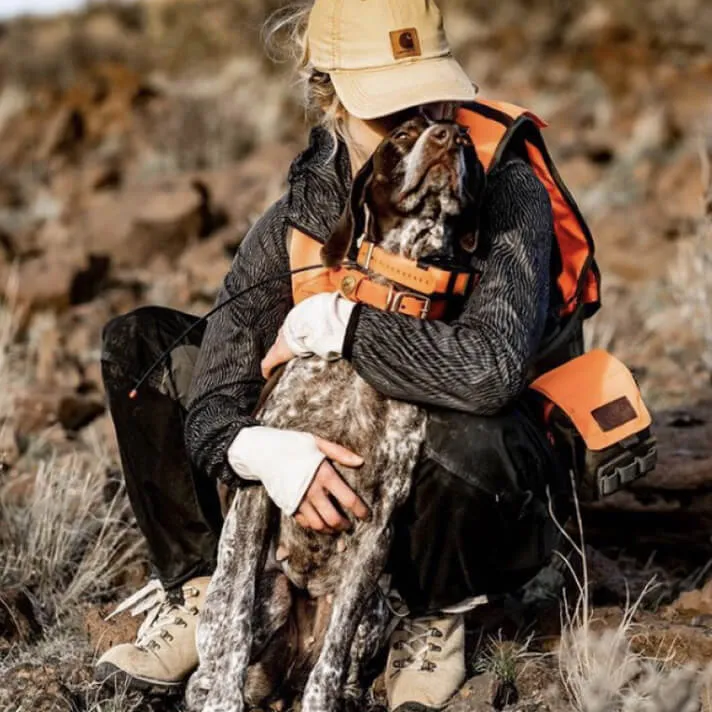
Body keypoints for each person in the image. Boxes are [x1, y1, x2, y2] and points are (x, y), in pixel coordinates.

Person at [95, 0, 594, 709]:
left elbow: (491, 372)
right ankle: (209, 589)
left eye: (434, 98)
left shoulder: (505, 186)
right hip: (316, 474)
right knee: (142, 348)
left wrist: (341, 323)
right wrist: (261, 451)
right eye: (393, 113)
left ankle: (435, 613)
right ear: (331, 100)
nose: (425, 126)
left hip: (476, 477)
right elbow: (214, 400)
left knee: (471, 432)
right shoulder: (302, 207)